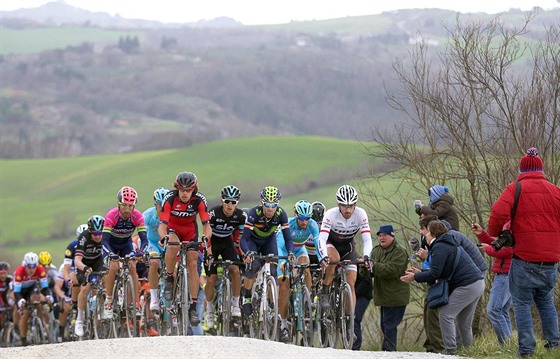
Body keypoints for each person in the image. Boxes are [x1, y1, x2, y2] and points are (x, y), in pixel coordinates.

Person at [487, 147, 560, 357]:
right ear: (541, 169)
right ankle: (554, 344)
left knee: (521, 304)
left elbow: (497, 213)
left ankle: (526, 350)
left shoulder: (515, 188)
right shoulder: (556, 191)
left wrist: (496, 232)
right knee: (546, 301)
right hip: (550, 261)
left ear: (522, 169)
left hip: (524, 259)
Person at [401, 220, 485, 355]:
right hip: (477, 283)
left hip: (467, 286)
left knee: (445, 314)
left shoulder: (440, 247)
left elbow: (435, 273)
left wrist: (415, 277)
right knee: (463, 324)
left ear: (433, 234)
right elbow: (439, 271)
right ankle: (468, 353)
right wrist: (420, 273)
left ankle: (450, 351)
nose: (425, 235)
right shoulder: (447, 244)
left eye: (427, 232)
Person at [158, 172, 212, 326]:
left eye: (188, 190)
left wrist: (206, 238)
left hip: (190, 231)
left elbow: (206, 226)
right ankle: (169, 277)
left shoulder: (199, 200)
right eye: (182, 190)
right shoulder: (170, 198)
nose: (184, 193)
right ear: (177, 188)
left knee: (193, 264)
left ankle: (193, 307)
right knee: (173, 246)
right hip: (173, 229)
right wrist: (164, 237)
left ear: (193, 190)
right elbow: (162, 225)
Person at [239, 186, 294, 320]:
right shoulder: (254, 213)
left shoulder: (281, 214)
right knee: (254, 265)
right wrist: (247, 253)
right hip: (253, 242)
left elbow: (287, 238)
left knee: (274, 271)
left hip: (269, 242)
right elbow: (244, 239)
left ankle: (271, 305)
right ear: (262, 203)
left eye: (273, 205)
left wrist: (291, 252)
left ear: (278, 204)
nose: (270, 208)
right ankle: (246, 297)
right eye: (267, 204)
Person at [317, 185, 372, 311]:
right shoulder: (331, 214)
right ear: (339, 205)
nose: (348, 210)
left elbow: (367, 239)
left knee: (351, 282)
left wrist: (367, 256)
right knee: (334, 258)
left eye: (351, 206)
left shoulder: (360, 214)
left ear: (355, 205)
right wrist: (324, 256)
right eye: (344, 206)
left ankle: (348, 321)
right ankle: (325, 290)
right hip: (331, 243)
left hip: (348, 247)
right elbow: (322, 239)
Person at [102, 186, 147, 319]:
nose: (127, 210)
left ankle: (134, 303)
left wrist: (141, 252)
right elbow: (104, 241)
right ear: (118, 204)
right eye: (124, 206)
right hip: (110, 245)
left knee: (132, 266)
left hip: (126, 245)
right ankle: (108, 302)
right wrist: (111, 255)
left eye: (130, 206)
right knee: (114, 266)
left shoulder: (137, 217)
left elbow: (144, 240)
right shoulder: (111, 216)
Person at [276, 200, 319, 343]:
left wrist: (322, 258)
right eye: (301, 218)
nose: (305, 221)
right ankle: (282, 325)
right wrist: (283, 262)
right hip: (283, 251)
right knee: (284, 286)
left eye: (308, 218)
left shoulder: (312, 225)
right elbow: (280, 244)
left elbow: (318, 243)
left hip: (300, 250)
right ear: (296, 216)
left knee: (305, 265)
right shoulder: (288, 224)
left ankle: (308, 297)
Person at [204, 185, 245, 330]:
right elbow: (207, 235)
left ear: (237, 203)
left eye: (233, 202)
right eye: (227, 201)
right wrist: (209, 254)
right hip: (212, 243)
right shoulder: (213, 213)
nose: (230, 205)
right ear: (222, 201)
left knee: (235, 270)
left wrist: (242, 255)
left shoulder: (240, 216)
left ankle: (235, 305)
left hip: (227, 243)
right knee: (212, 278)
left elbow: (240, 239)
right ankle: (209, 311)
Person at [471, 222, 513, 345]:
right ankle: (510, 343)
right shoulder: (510, 225)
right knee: (502, 311)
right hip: (505, 274)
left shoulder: (515, 226)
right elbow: (499, 245)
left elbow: (510, 251)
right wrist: (482, 234)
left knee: (493, 310)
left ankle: (506, 344)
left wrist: (488, 249)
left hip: (505, 275)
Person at [370, 225, 410, 351]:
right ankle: (388, 351)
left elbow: (391, 270)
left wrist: (373, 266)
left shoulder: (399, 251)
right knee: (385, 325)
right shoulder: (376, 250)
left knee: (389, 325)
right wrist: (364, 268)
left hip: (396, 296)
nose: (382, 238)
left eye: (385, 235)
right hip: (383, 296)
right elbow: (371, 272)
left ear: (392, 236)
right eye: (380, 236)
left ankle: (389, 352)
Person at [12, 252, 53, 347]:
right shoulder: (19, 271)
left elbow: (45, 288)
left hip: (31, 288)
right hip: (20, 291)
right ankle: (23, 339)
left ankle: (41, 326)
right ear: (25, 265)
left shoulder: (40, 270)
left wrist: (48, 296)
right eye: (29, 267)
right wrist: (20, 301)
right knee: (25, 314)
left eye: (34, 267)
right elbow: (16, 292)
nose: (32, 270)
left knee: (37, 302)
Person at [74, 215, 105, 337]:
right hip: (84, 264)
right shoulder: (84, 237)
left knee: (101, 285)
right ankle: (80, 319)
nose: (98, 236)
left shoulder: (105, 236)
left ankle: (101, 311)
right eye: (95, 234)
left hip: (97, 262)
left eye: (100, 233)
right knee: (86, 287)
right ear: (90, 231)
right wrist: (85, 268)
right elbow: (77, 260)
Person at [143, 187, 169, 314]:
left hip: (167, 244)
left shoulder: (172, 215)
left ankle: (173, 302)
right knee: (154, 262)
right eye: (159, 205)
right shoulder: (148, 215)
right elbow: (141, 233)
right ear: (155, 204)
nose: (162, 208)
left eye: (164, 205)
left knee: (173, 270)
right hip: (152, 243)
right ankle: (154, 298)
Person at [352, 264, 372, 351]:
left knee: (355, 319)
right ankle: (351, 345)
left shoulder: (359, 264)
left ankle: (355, 346)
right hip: (356, 295)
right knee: (350, 319)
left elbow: (366, 281)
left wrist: (354, 293)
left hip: (362, 296)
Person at [0, 261, 15, 334]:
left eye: (4, 273)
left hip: (7, 299)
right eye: (1, 274)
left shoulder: (10, 280)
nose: (3, 276)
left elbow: (12, 291)